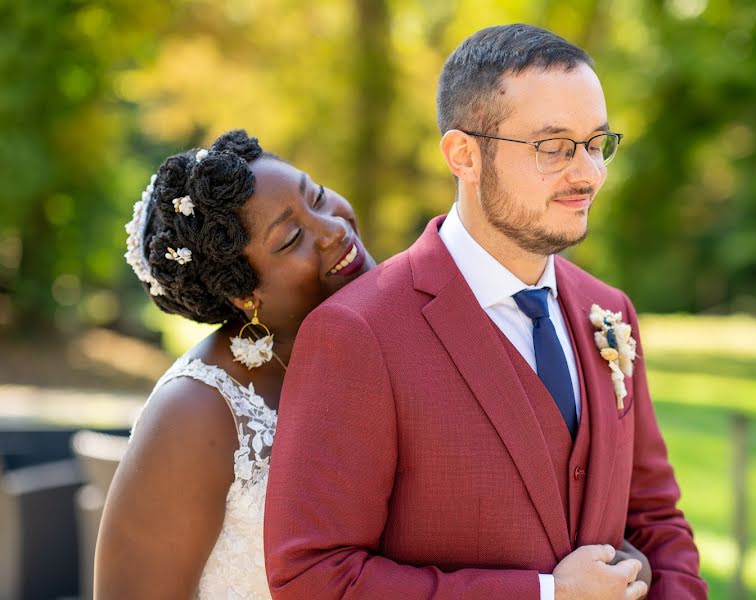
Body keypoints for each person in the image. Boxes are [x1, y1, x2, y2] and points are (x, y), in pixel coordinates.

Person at [265, 24, 706, 600]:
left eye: (597, 144)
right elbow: (314, 578)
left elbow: (655, 519)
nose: (589, 174)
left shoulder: (610, 310)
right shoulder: (358, 332)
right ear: (464, 155)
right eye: (554, 147)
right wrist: (547, 594)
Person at [94, 129, 375, 599]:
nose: (334, 229)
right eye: (290, 239)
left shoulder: (370, 345)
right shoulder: (195, 412)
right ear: (245, 295)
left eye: (319, 196)